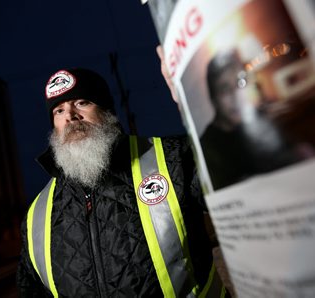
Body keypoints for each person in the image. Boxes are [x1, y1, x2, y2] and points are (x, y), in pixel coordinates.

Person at [16, 67, 226, 297]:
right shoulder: (38, 213)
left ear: (107, 111)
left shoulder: (173, 159)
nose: (70, 116)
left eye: (82, 102)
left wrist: (206, 107)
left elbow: (235, 183)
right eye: (58, 110)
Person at [200, 48, 304, 189]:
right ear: (214, 99)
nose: (236, 96)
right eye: (225, 89)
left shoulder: (259, 117)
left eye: (240, 83)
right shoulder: (208, 146)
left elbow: (290, 149)